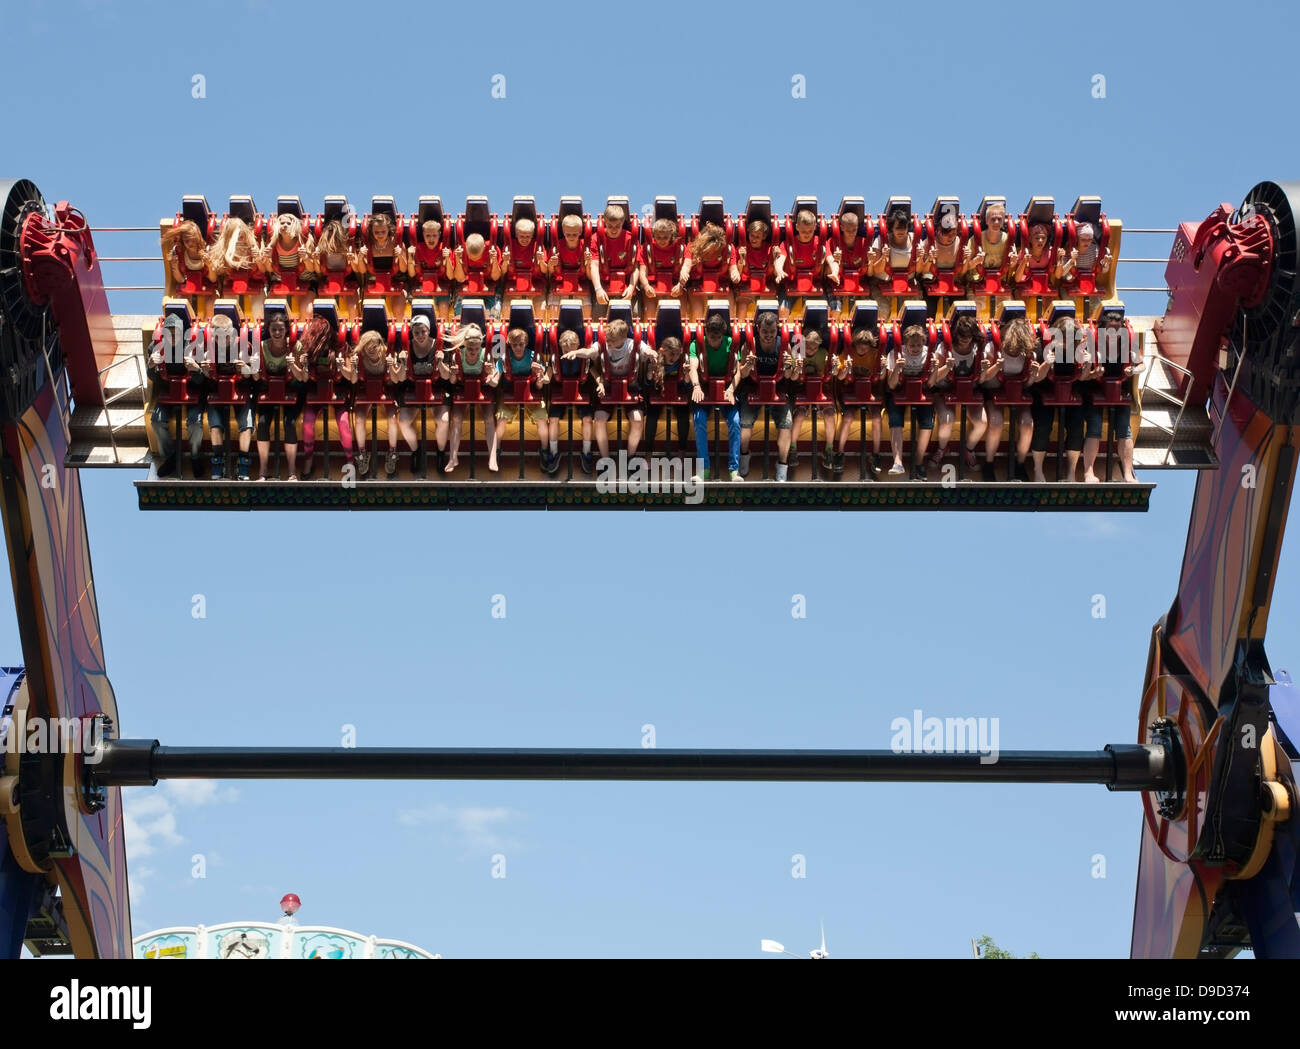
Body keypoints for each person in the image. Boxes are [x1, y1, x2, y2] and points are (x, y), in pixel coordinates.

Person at [1081, 309, 1141, 483]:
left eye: (1117, 329)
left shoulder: (1127, 343)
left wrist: (1133, 370)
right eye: (1110, 329)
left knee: (1124, 428)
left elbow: (1141, 364)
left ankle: (1128, 473)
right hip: (1095, 388)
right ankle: (1088, 472)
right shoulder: (1091, 342)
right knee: (1095, 426)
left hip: (1117, 388)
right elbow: (1082, 373)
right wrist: (1092, 372)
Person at [978, 316, 1039, 482]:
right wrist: (996, 366)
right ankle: (989, 463)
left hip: (1017, 392)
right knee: (996, 422)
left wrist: (1033, 375)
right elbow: (983, 379)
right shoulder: (993, 348)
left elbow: (1027, 384)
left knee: (1027, 424)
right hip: (994, 390)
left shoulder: (1028, 354)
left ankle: (1020, 463)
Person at [294, 315, 355, 479]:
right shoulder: (307, 350)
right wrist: (304, 364)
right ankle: (308, 460)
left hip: (338, 390)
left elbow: (350, 377)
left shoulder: (341, 347)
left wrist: (340, 365)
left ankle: (350, 462)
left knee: (343, 423)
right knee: (307, 422)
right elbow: (303, 378)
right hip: (315, 390)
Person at [736, 310, 794, 479]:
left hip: (778, 390)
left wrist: (789, 366)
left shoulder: (785, 346)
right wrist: (748, 365)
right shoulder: (750, 345)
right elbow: (743, 374)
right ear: (758, 329)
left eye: (772, 332)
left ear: (777, 330)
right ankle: (744, 456)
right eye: (764, 331)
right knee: (745, 421)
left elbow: (790, 376)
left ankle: (782, 465)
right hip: (753, 388)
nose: (768, 335)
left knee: (786, 423)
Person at [927, 314, 987, 473]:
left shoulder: (977, 348)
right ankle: (942, 449)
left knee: (982, 422)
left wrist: (985, 370)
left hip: (969, 390)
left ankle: (968, 449)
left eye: (968, 336)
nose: (965, 339)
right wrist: (946, 367)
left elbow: (981, 380)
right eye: (961, 335)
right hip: (945, 389)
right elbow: (934, 379)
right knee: (947, 420)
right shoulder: (945, 348)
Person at [687, 313, 741, 480]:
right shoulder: (696, 344)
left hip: (726, 389)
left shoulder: (730, 344)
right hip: (704, 389)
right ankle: (704, 469)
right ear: (706, 333)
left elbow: (738, 371)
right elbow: (693, 368)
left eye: (718, 337)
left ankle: (734, 470)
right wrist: (696, 386)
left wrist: (731, 389)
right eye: (711, 337)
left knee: (736, 422)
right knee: (699, 420)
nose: (715, 341)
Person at [883, 324, 936, 480]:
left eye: (919, 345)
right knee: (895, 419)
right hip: (899, 390)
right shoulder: (895, 354)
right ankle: (897, 462)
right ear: (905, 344)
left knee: (927, 421)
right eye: (912, 345)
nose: (915, 348)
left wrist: (934, 370)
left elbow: (931, 384)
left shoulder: (929, 354)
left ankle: (918, 463)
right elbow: (891, 385)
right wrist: (897, 369)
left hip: (921, 391)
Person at [253, 310, 301, 480]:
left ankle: (292, 472)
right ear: (269, 330)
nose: (277, 333)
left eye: (280, 329)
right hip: (268, 390)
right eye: (274, 330)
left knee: (290, 423)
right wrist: (253, 369)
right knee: (263, 423)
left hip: (291, 390)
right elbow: (257, 377)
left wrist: (293, 365)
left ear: (286, 330)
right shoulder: (263, 346)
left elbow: (303, 377)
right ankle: (263, 471)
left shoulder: (296, 346)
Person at [831, 325, 883, 475]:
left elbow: (881, 378)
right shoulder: (848, 354)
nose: (862, 350)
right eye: (860, 346)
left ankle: (876, 454)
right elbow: (839, 377)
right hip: (850, 391)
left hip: (869, 392)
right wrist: (846, 369)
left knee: (877, 418)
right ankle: (840, 453)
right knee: (847, 417)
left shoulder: (875, 355)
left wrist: (883, 369)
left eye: (865, 347)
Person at [641, 335, 691, 458]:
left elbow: (686, 385)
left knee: (684, 416)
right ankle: (648, 453)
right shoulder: (655, 360)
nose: (674, 358)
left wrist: (686, 374)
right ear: (663, 351)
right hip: (659, 392)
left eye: (677, 354)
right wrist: (649, 373)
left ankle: (681, 452)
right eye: (671, 354)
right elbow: (647, 384)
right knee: (652, 417)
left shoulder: (682, 362)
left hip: (677, 391)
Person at [588, 204, 640, 317]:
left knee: (635, 313)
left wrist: (631, 287)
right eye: (610, 226)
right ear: (605, 222)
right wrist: (598, 289)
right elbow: (594, 265)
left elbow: (636, 267)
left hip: (625, 283)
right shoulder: (596, 238)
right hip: (603, 283)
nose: (614, 230)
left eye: (617, 226)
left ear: (623, 223)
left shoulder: (631, 239)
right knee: (598, 313)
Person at [679, 223, 737, 322]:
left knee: (727, 311)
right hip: (697, 284)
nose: (711, 255)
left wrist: (735, 274)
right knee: (698, 311)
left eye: (714, 251)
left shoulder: (728, 249)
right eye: (708, 252)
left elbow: (733, 269)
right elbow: (686, 265)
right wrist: (683, 274)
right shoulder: (692, 247)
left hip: (722, 284)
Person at [735, 218, 785, 320]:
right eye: (751, 235)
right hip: (746, 285)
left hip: (765, 286)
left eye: (757, 237)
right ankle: (740, 329)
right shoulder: (742, 249)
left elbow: (775, 273)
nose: (753, 239)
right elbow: (738, 275)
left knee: (770, 305)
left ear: (764, 236)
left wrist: (775, 258)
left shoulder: (770, 250)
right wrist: (741, 259)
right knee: (743, 304)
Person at [406, 218, 454, 320]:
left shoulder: (444, 249)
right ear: (423, 235)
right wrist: (410, 256)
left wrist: (448, 258)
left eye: (434, 236)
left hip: (441, 285)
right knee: (422, 310)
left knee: (443, 306)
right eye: (428, 236)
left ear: (439, 234)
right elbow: (411, 274)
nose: (431, 239)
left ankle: (442, 329)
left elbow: (450, 276)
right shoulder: (418, 248)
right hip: (422, 285)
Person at [450, 233, 502, 319]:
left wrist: (494, 260)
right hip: (465, 286)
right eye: (471, 257)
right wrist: (458, 260)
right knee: (460, 316)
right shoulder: (459, 251)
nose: (474, 259)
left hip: (491, 285)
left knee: (493, 317)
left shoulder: (493, 250)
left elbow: (495, 277)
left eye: (478, 257)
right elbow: (460, 279)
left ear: (484, 248)